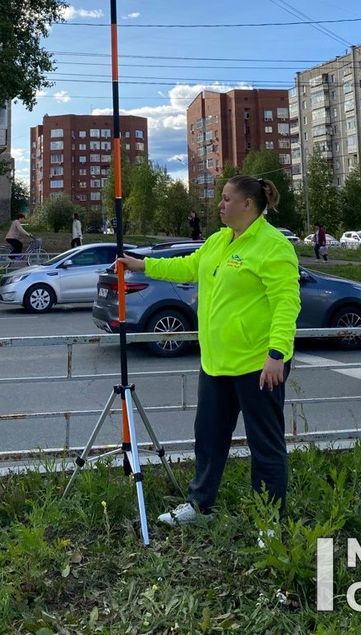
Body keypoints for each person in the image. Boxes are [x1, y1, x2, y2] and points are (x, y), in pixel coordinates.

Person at [119, 174, 300, 526]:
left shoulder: (273, 246)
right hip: (217, 363)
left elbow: (286, 303)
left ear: (247, 204)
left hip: (258, 364)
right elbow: (188, 265)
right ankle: (200, 506)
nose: (220, 204)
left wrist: (277, 353)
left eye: (227, 198)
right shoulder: (219, 240)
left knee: (265, 445)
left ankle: (270, 520)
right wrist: (143, 265)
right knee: (209, 438)